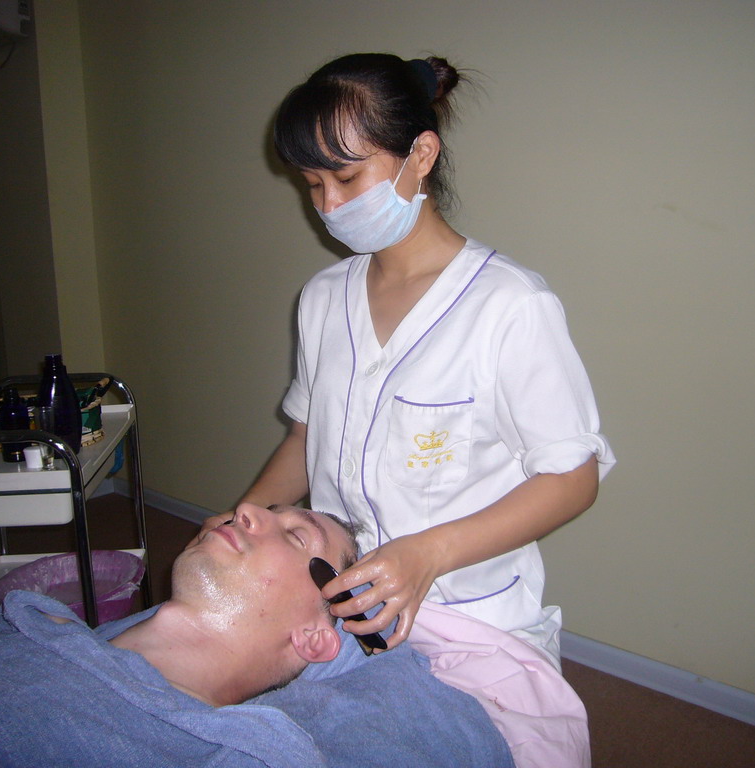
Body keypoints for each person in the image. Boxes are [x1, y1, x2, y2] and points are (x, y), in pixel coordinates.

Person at [240, 52, 615, 668]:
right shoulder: (323, 299)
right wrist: (246, 518)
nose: (330, 206)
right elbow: (306, 437)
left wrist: (426, 555)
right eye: (312, 186)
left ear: (420, 155)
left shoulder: (509, 306)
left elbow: (572, 479)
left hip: (467, 614)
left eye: (348, 178)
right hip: (339, 603)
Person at [0, 503, 514, 768]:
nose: (245, 510)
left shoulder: (222, 748)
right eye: (267, 515)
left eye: (296, 537)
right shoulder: (32, 627)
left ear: (315, 637)